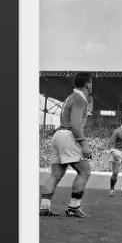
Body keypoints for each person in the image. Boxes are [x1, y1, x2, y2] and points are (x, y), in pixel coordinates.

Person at [40, 72, 93, 218]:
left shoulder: (70, 97)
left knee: (55, 174)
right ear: (87, 84)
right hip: (69, 135)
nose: (92, 85)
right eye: (91, 82)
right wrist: (84, 143)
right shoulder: (80, 99)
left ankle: (44, 208)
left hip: (58, 135)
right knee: (85, 171)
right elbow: (76, 125)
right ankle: (73, 208)